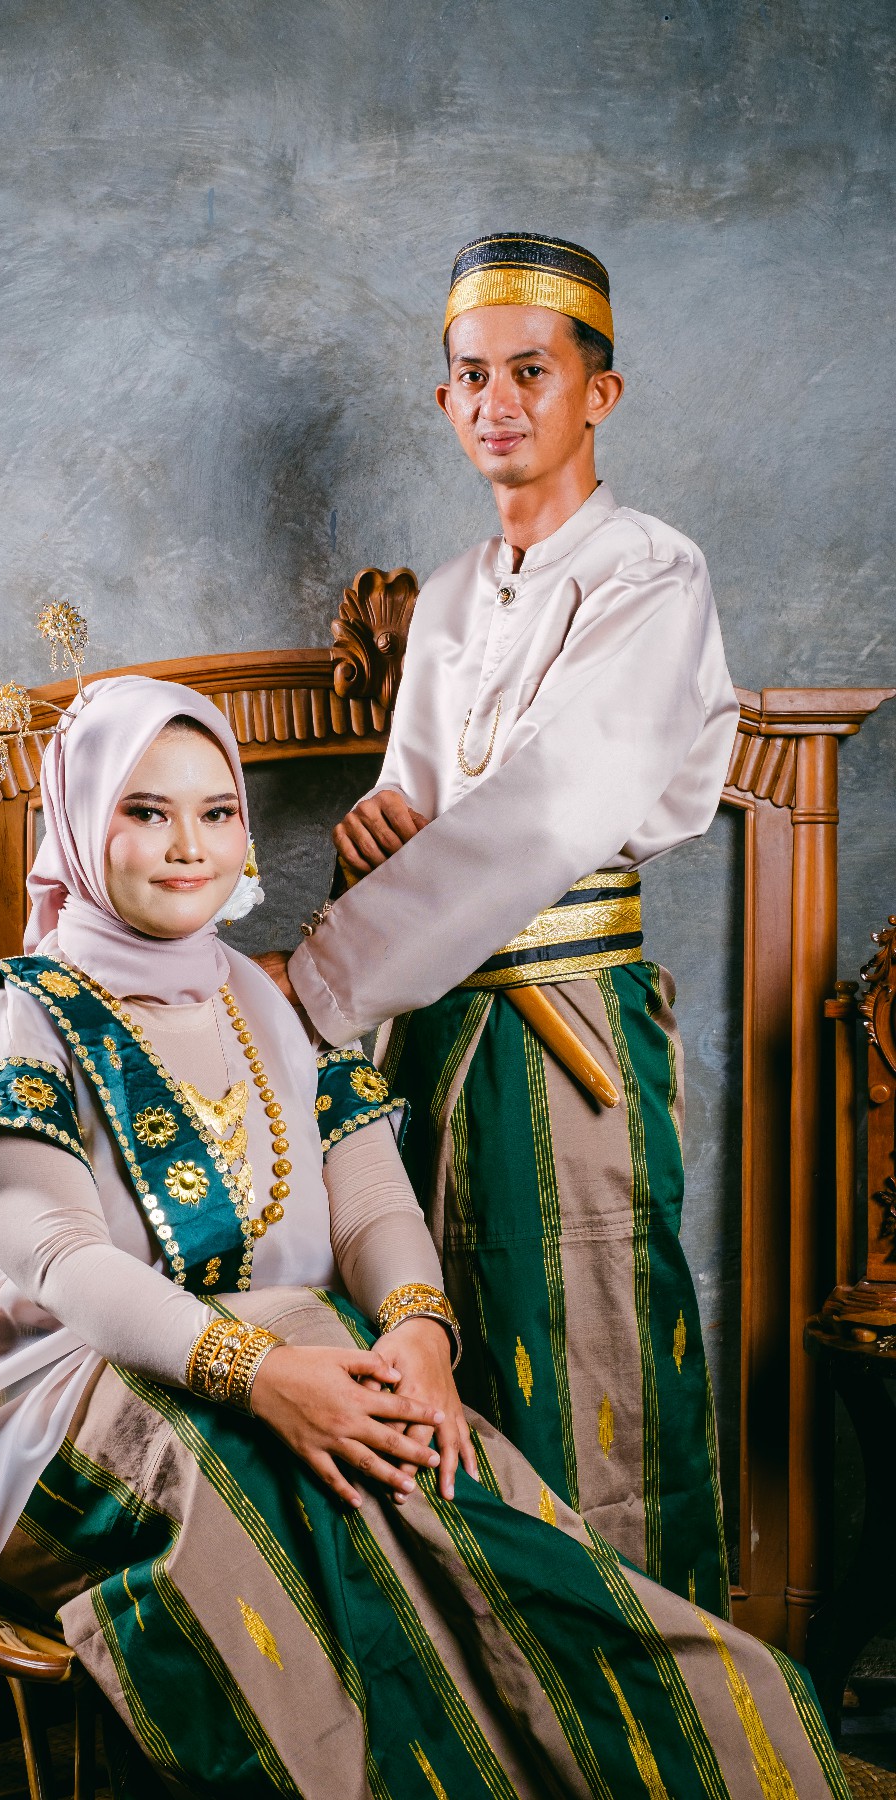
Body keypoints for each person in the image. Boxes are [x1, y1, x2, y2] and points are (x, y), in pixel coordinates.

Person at [0, 674, 845, 1799]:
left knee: (433, 1466)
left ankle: (684, 1754)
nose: (189, 846)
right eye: (145, 811)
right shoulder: (6, 1023)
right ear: (78, 824)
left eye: (217, 811)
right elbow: (65, 1262)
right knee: (269, 1485)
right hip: (58, 1405)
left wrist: (419, 1334)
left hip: (304, 1367)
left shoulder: (272, 1005)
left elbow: (374, 1203)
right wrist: (267, 1379)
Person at [263, 233, 741, 1616]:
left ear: (602, 392)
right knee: (436, 1340)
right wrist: (382, 819)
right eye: (472, 375)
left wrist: (315, 982)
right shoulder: (458, 592)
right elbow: (427, 795)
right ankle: (473, 1695)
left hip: (565, 1030)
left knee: (587, 1354)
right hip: (431, 1023)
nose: (499, 401)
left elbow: (546, 813)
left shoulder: (653, 573)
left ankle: (638, 1694)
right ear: (444, 401)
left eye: (532, 370)